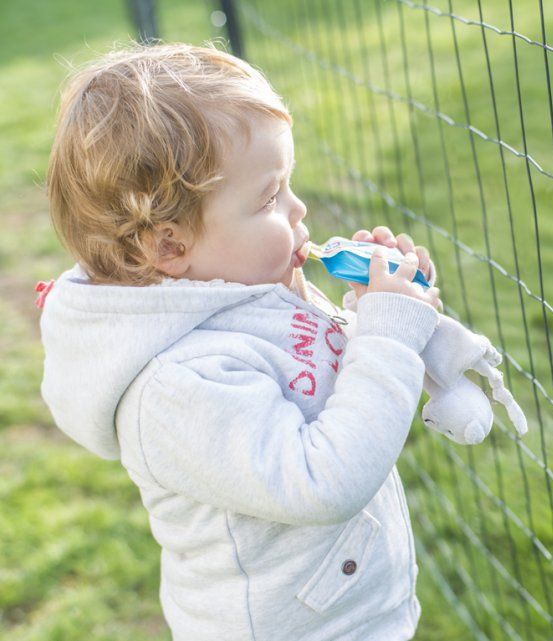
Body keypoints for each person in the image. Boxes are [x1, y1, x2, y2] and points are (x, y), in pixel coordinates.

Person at [38, 41, 443, 641]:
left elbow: (322, 380)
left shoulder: (242, 290)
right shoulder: (177, 386)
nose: (299, 208)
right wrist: (388, 341)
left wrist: (378, 306)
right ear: (168, 248)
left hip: (349, 613)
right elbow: (320, 481)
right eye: (268, 198)